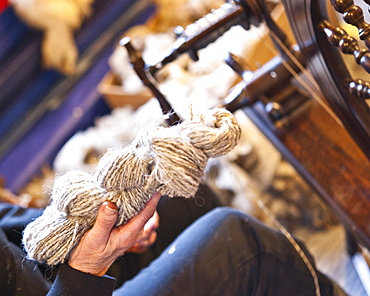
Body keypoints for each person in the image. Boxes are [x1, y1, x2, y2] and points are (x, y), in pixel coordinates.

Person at [0, 189, 346, 296]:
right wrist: (85, 269)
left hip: (44, 281)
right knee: (241, 242)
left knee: (181, 200)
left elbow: (8, 225)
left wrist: (90, 228)